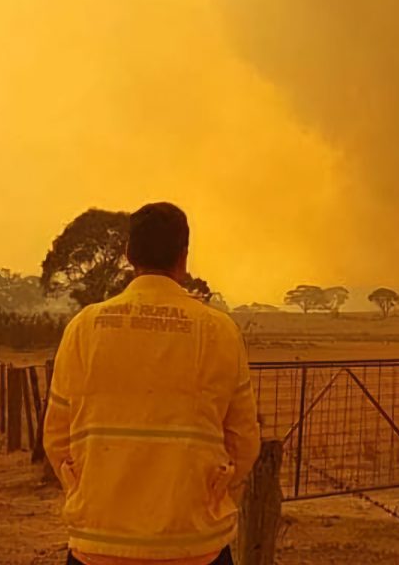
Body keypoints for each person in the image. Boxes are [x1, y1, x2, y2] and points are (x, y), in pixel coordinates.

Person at [44, 202, 261, 565]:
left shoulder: (83, 328)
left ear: (129, 255)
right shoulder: (219, 331)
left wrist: (84, 493)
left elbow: (56, 437)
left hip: (97, 546)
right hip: (195, 546)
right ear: (184, 256)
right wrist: (213, 498)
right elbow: (243, 440)